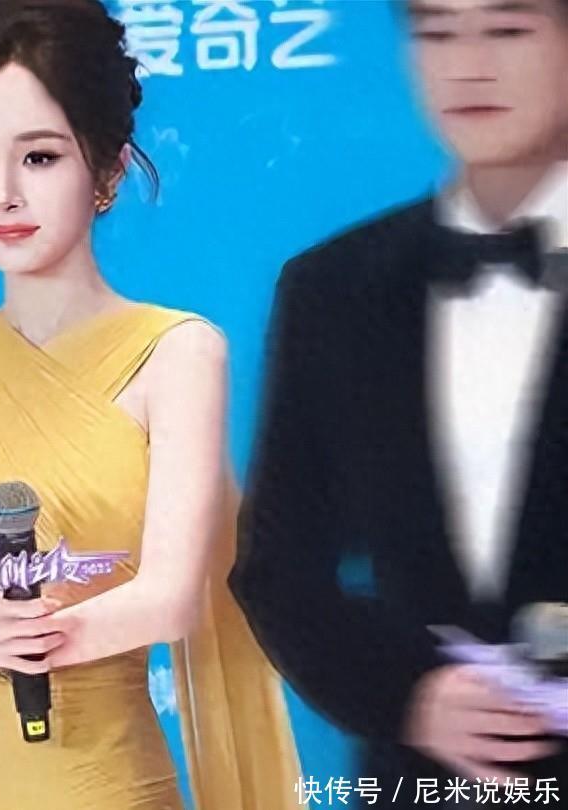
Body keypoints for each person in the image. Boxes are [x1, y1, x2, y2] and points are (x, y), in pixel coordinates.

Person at [0, 1, 301, 807]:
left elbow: (169, 600)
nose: (2, 194)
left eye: (38, 157)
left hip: (105, 779)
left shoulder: (177, 354)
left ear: (107, 170)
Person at [230, 1, 567, 805]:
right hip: (418, 786)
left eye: (508, 29)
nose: (468, 65)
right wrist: (410, 696)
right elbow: (278, 569)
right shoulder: (332, 290)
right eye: (438, 31)